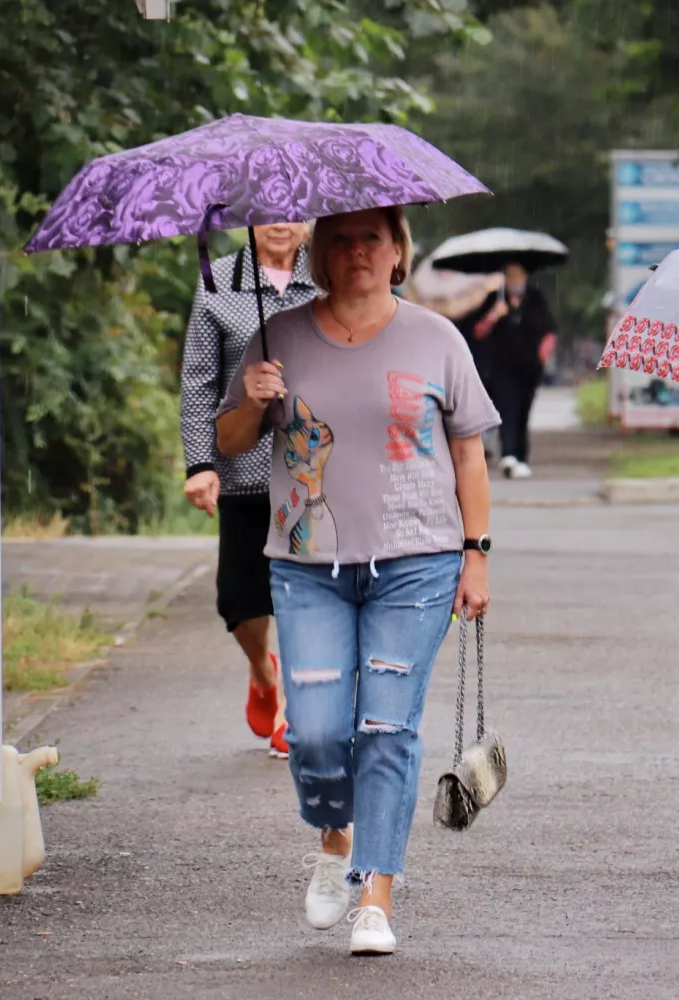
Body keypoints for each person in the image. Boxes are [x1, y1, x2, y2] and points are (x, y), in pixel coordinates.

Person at [215, 205, 499, 957]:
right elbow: (230, 443)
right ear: (319, 255)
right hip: (308, 566)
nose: (356, 251)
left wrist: (476, 553)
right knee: (314, 731)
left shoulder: (437, 339)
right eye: (339, 239)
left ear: (398, 249)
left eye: (373, 237)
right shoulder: (277, 338)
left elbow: (469, 454)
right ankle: (334, 838)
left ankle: (376, 894)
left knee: (386, 727)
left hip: (419, 563)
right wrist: (254, 397)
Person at [180, 221, 314, 758]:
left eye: (293, 210)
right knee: (240, 600)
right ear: (248, 220)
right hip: (243, 469)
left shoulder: (327, 275)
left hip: (311, 471)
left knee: (306, 595)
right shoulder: (219, 281)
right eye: (268, 210)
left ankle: (293, 710)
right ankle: (264, 671)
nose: (281, 221)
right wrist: (201, 462)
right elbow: (198, 378)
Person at [464, 261, 557, 479]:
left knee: (523, 411)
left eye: (518, 275)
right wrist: (494, 315)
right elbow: (477, 331)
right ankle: (508, 454)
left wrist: (543, 355)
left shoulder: (535, 299)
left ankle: (521, 456)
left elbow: (549, 331)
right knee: (507, 409)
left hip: (529, 368)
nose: (514, 280)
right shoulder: (494, 299)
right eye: (510, 276)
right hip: (501, 368)